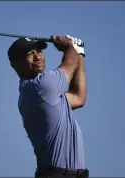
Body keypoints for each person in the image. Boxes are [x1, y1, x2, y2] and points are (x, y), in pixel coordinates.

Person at [7, 35, 89, 178]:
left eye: (39, 52)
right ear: (15, 64)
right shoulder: (40, 87)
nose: (37, 57)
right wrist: (70, 46)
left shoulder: (43, 93)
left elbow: (78, 97)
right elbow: (70, 63)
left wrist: (79, 53)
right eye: (30, 54)